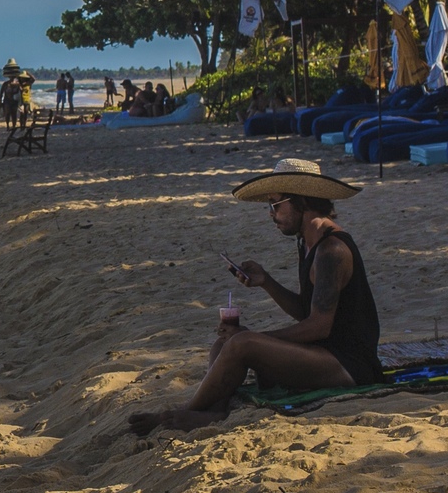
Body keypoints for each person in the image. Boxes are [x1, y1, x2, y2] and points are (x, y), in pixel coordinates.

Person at [128, 159, 380, 434]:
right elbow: (306, 311)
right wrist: (266, 282)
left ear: (302, 201)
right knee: (223, 344)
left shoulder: (331, 249)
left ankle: (186, 412)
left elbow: (319, 326)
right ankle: (214, 411)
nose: (271, 214)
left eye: (275, 204)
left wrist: (256, 337)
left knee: (242, 342)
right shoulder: (307, 242)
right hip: (322, 352)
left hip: (348, 365)